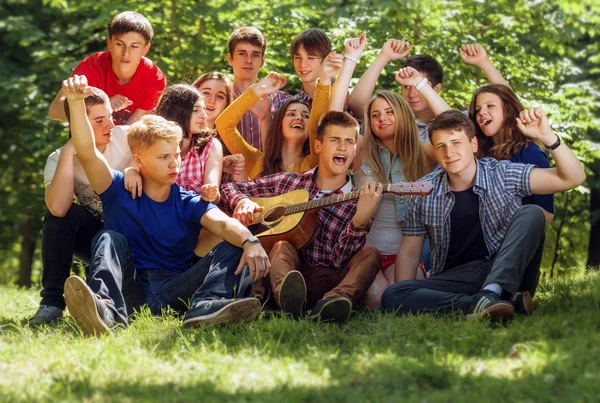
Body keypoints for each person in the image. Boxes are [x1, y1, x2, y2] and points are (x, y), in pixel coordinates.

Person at [60, 75, 270, 337]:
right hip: (130, 288)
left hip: (175, 291)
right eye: (163, 158)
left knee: (235, 241)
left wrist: (251, 242)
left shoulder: (187, 201)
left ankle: (205, 307)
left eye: (177, 156)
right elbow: (87, 151)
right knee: (108, 237)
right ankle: (106, 310)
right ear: (138, 159)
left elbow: (224, 223)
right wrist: (76, 102)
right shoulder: (115, 189)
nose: (175, 164)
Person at [381, 110, 586, 321]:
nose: (449, 152)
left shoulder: (503, 174)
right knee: (393, 294)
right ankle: (483, 305)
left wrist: (548, 137)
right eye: (441, 146)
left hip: (508, 269)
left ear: (474, 145)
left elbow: (573, 177)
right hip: (457, 277)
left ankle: (492, 293)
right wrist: (406, 296)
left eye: (456, 142)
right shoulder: (423, 191)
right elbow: (409, 253)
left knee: (532, 213)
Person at [220, 111, 382, 324]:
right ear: (318, 146)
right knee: (281, 245)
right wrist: (242, 201)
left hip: (327, 279)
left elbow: (338, 260)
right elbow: (230, 187)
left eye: (349, 141)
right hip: (282, 273)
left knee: (371, 255)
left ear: (354, 150)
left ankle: (332, 304)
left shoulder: (359, 200)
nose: (342, 147)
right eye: (335, 140)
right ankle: (289, 302)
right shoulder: (289, 182)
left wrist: (359, 223)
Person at [29, 86, 140, 326]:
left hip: (131, 234)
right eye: (100, 120)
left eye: (110, 116)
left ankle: (101, 299)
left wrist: (133, 166)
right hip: (94, 237)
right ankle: (52, 304)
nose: (110, 125)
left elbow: (162, 141)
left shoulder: (127, 137)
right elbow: (58, 208)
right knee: (58, 218)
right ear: (77, 123)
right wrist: (70, 152)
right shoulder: (58, 158)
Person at [216, 52, 342, 179]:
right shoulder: (257, 162)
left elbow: (317, 126)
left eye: (305, 116)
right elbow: (224, 125)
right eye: (291, 114)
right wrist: (256, 91)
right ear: (279, 124)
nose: (299, 118)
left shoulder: (314, 162)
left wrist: (324, 81)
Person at [48, 11, 166, 125]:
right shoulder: (91, 68)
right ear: (109, 43)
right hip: (87, 141)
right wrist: (102, 108)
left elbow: (131, 128)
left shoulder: (154, 77)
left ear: (145, 49)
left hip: (126, 140)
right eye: (119, 44)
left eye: (134, 46)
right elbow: (55, 112)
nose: (126, 53)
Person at [469, 83, 554, 222]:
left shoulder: (530, 152)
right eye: (478, 110)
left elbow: (547, 216)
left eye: (490, 106)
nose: (482, 112)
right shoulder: (478, 153)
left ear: (508, 109)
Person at [155, 84, 224, 201]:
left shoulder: (211, 145)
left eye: (204, 110)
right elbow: (134, 167)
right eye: (196, 110)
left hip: (194, 213)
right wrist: (132, 172)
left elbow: (215, 195)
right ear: (176, 112)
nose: (204, 116)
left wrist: (211, 193)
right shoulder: (153, 140)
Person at [227, 26, 287, 151]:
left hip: (272, 170)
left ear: (262, 62)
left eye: (255, 54)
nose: (248, 60)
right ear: (230, 58)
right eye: (242, 53)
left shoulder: (281, 100)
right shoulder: (219, 98)